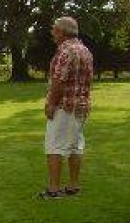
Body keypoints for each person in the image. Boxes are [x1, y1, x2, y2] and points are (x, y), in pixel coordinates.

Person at [38, 16, 94, 199]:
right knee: (75, 146)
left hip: (64, 107)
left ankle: (53, 190)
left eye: (54, 29)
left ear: (61, 32)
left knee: (54, 146)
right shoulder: (85, 50)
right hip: (81, 106)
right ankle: (73, 186)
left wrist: (51, 104)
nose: (52, 33)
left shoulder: (65, 51)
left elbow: (58, 81)